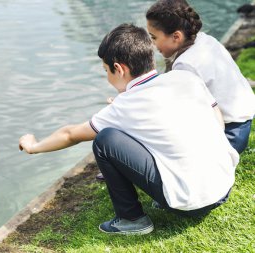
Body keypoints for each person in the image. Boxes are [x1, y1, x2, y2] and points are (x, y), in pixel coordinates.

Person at [19, 23, 238, 235]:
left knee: (106, 140)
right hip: (224, 184)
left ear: (119, 69)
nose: (107, 77)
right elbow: (215, 114)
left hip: (193, 202)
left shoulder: (126, 106)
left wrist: (33, 146)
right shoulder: (185, 78)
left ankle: (132, 219)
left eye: (106, 70)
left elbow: (70, 134)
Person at [146, 0, 255, 154]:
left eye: (154, 38)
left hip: (229, 137)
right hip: (242, 125)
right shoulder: (204, 39)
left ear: (176, 36)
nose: (152, 44)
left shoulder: (185, 65)